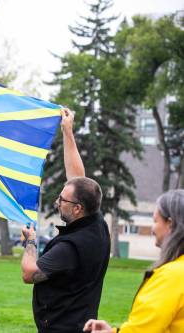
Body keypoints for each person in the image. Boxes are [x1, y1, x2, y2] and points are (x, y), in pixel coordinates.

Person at [20, 108, 111, 333]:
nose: (57, 202)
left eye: (62, 200)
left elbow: (29, 273)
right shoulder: (97, 223)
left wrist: (30, 242)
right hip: (81, 324)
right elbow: (77, 178)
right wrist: (67, 131)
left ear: (78, 208)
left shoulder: (70, 248)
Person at [84, 189, 184, 333]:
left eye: (155, 221)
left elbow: (144, 329)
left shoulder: (172, 276)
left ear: (170, 224)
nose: (152, 229)